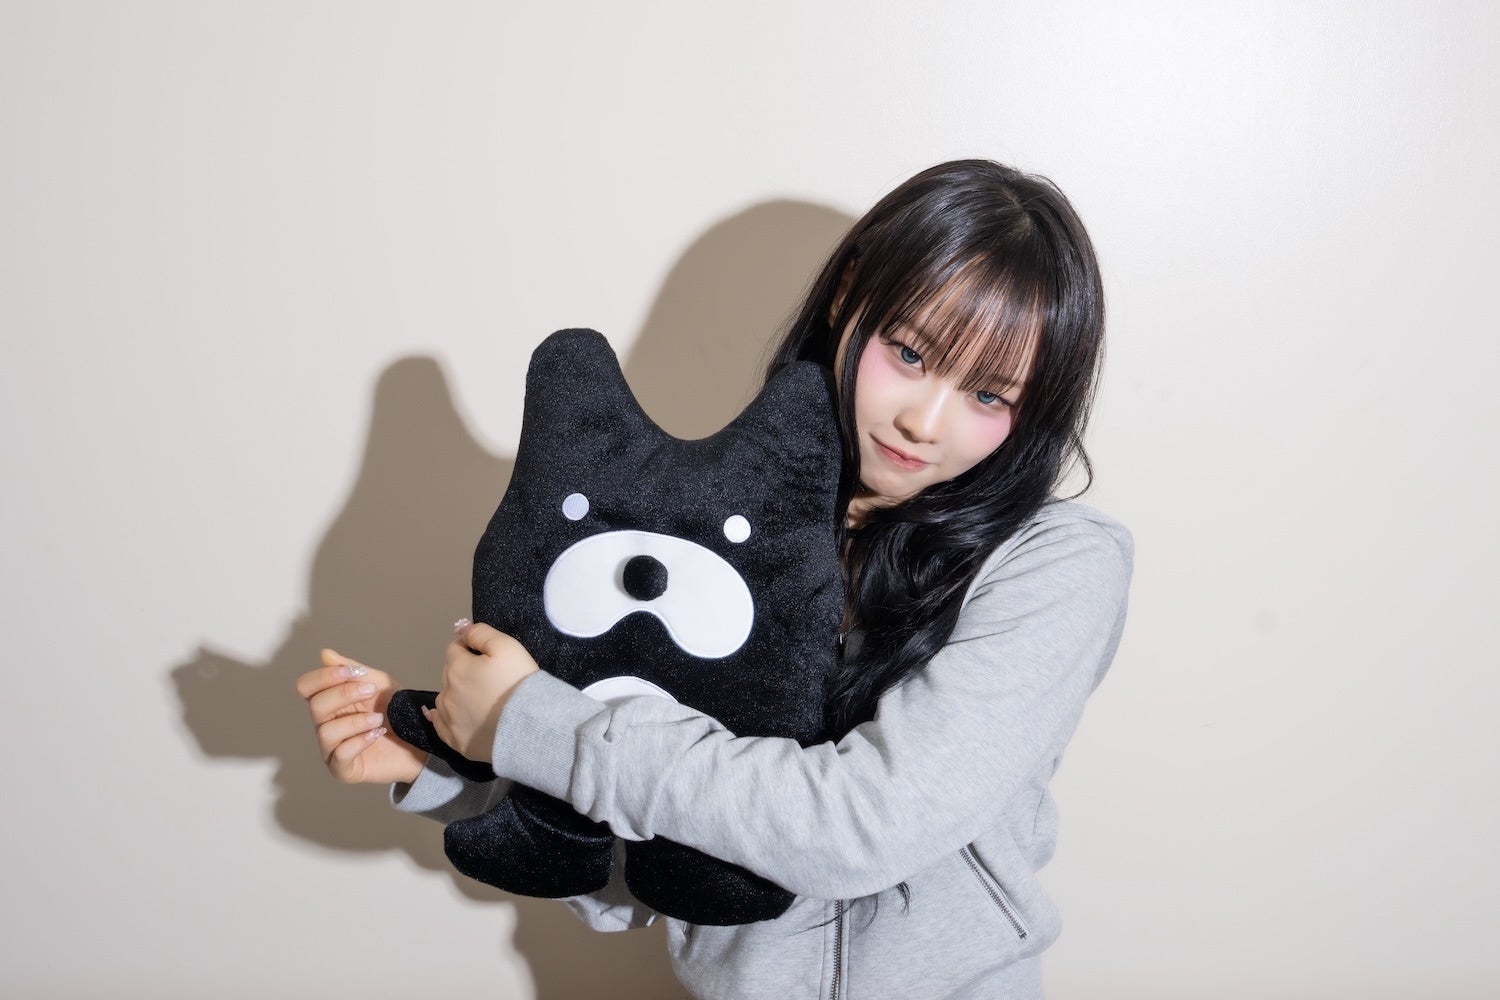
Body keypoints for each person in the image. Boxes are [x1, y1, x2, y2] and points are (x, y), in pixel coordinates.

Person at [297, 159, 1134, 1000]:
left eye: (989, 396)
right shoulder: (728, 536)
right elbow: (640, 884)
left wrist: (531, 722)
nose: (925, 420)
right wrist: (439, 767)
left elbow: (866, 826)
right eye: (909, 352)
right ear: (848, 295)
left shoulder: (1058, 563)